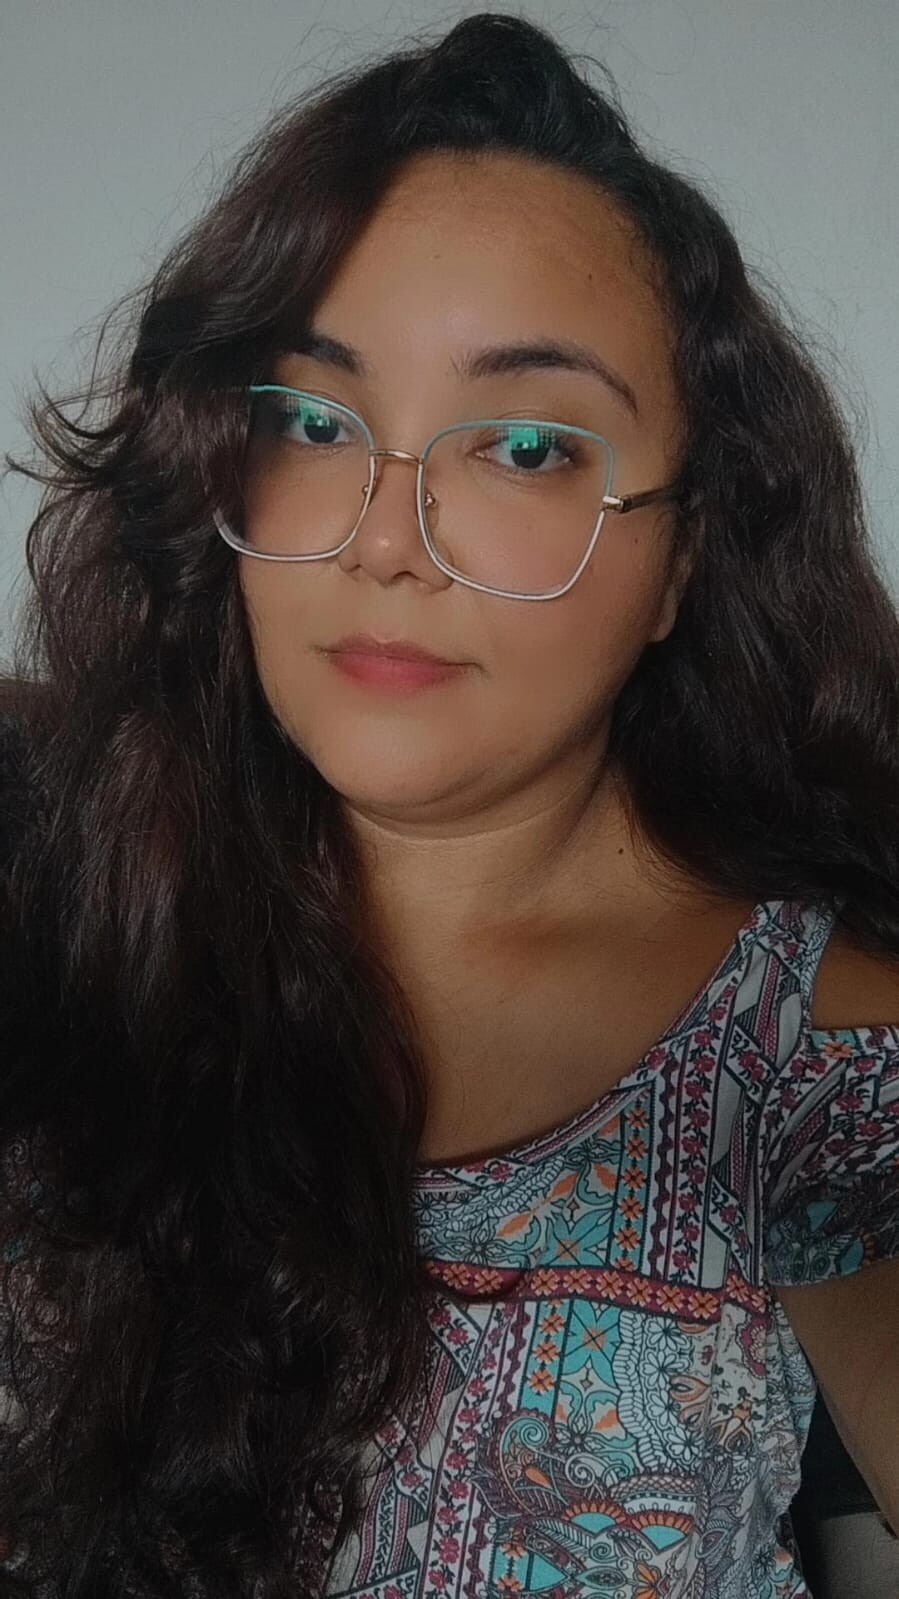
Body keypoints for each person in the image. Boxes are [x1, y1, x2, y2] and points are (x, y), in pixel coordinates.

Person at [1, 11, 897, 1597]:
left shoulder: (820, 1053)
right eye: (314, 422)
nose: (384, 539)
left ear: (685, 557)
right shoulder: (56, 896)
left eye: (528, 445)